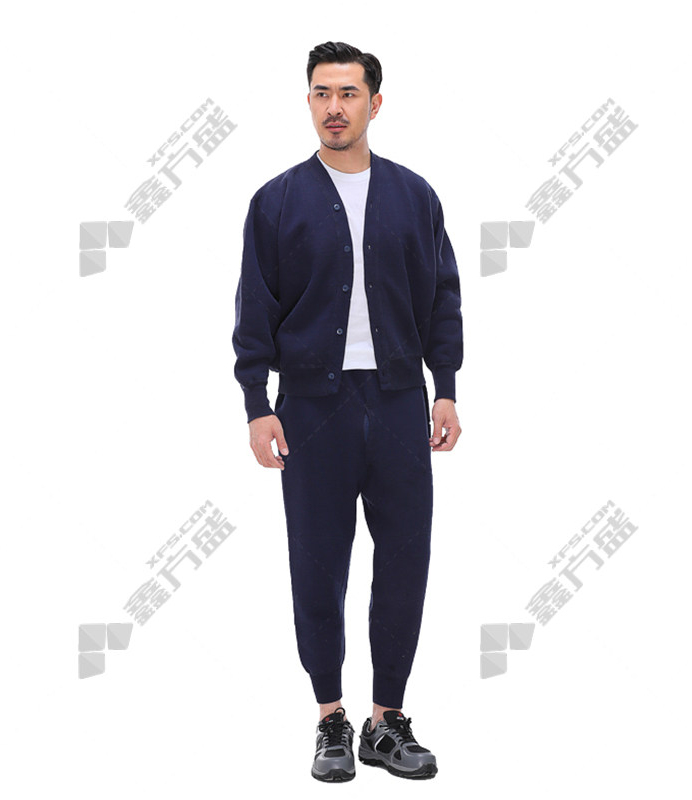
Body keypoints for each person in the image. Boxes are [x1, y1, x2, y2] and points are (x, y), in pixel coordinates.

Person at [232, 40, 463, 782]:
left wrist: (445, 386)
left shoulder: (415, 196)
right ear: (309, 101)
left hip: (398, 404)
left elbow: (443, 298)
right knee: (317, 563)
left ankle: (385, 721)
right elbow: (255, 307)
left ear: (375, 102)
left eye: (349, 93)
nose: (335, 107)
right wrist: (257, 403)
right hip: (311, 409)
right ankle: (330, 717)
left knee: (404, 561)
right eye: (322, 93)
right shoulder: (276, 201)